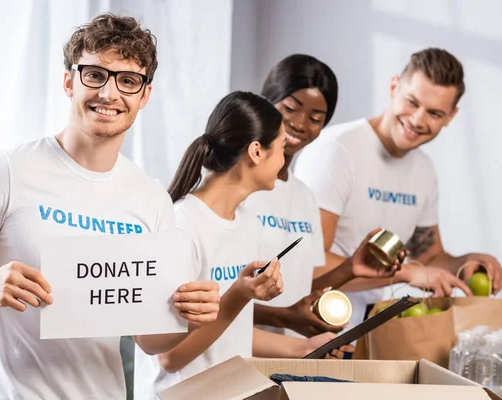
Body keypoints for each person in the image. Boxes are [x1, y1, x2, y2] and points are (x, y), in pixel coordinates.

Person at [0, 14, 220, 400]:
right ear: (69, 81)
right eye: (95, 75)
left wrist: (189, 316)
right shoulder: (7, 171)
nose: (109, 93)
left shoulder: (151, 199)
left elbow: (150, 340)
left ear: (144, 96)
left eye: (128, 80)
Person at [134, 91, 338, 400]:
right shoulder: (181, 226)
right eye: (281, 147)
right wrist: (239, 295)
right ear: (257, 152)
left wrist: (303, 348)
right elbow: (170, 358)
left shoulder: (246, 223)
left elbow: (231, 332)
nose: (284, 160)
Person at [294, 48, 502, 328]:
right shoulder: (336, 151)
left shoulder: (424, 170)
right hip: (307, 330)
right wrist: (404, 273)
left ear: (451, 117)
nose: (417, 120)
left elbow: (429, 257)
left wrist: (466, 265)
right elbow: (309, 263)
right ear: (394, 86)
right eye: (412, 102)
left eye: (434, 113)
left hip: (367, 333)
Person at [245, 54, 406, 338]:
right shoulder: (237, 186)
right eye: (290, 109)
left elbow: (301, 285)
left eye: (316, 118)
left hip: (290, 359)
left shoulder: (304, 197)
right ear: (265, 103)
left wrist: (350, 268)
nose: (300, 124)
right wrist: (284, 318)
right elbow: (214, 295)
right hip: (234, 359)